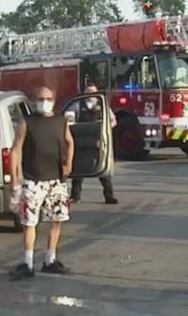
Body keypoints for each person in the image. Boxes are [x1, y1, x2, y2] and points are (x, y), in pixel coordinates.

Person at [9, 86, 75, 280]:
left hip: (56, 181)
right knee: (30, 222)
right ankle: (28, 263)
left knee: (57, 220)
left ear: (54, 100)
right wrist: (15, 179)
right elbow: (16, 150)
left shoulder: (60, 121)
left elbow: (70, 141)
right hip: (32, 181)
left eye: (47, 98)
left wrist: (69, 164)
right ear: (33, 100)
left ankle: (50, 260)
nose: (44, 102)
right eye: (40, 98)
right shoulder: (27, 123)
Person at [71, 83, 118, 204]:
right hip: (81, 140)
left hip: (99, 142)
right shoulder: (77, 105)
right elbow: (69, 119)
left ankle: (109, 196)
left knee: (103, 169)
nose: (90, 94)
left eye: (93, 92)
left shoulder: (103, 105)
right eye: (88, 92)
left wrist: (106, 128)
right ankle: (75, 196)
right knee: (79, 169)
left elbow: (113, 120)